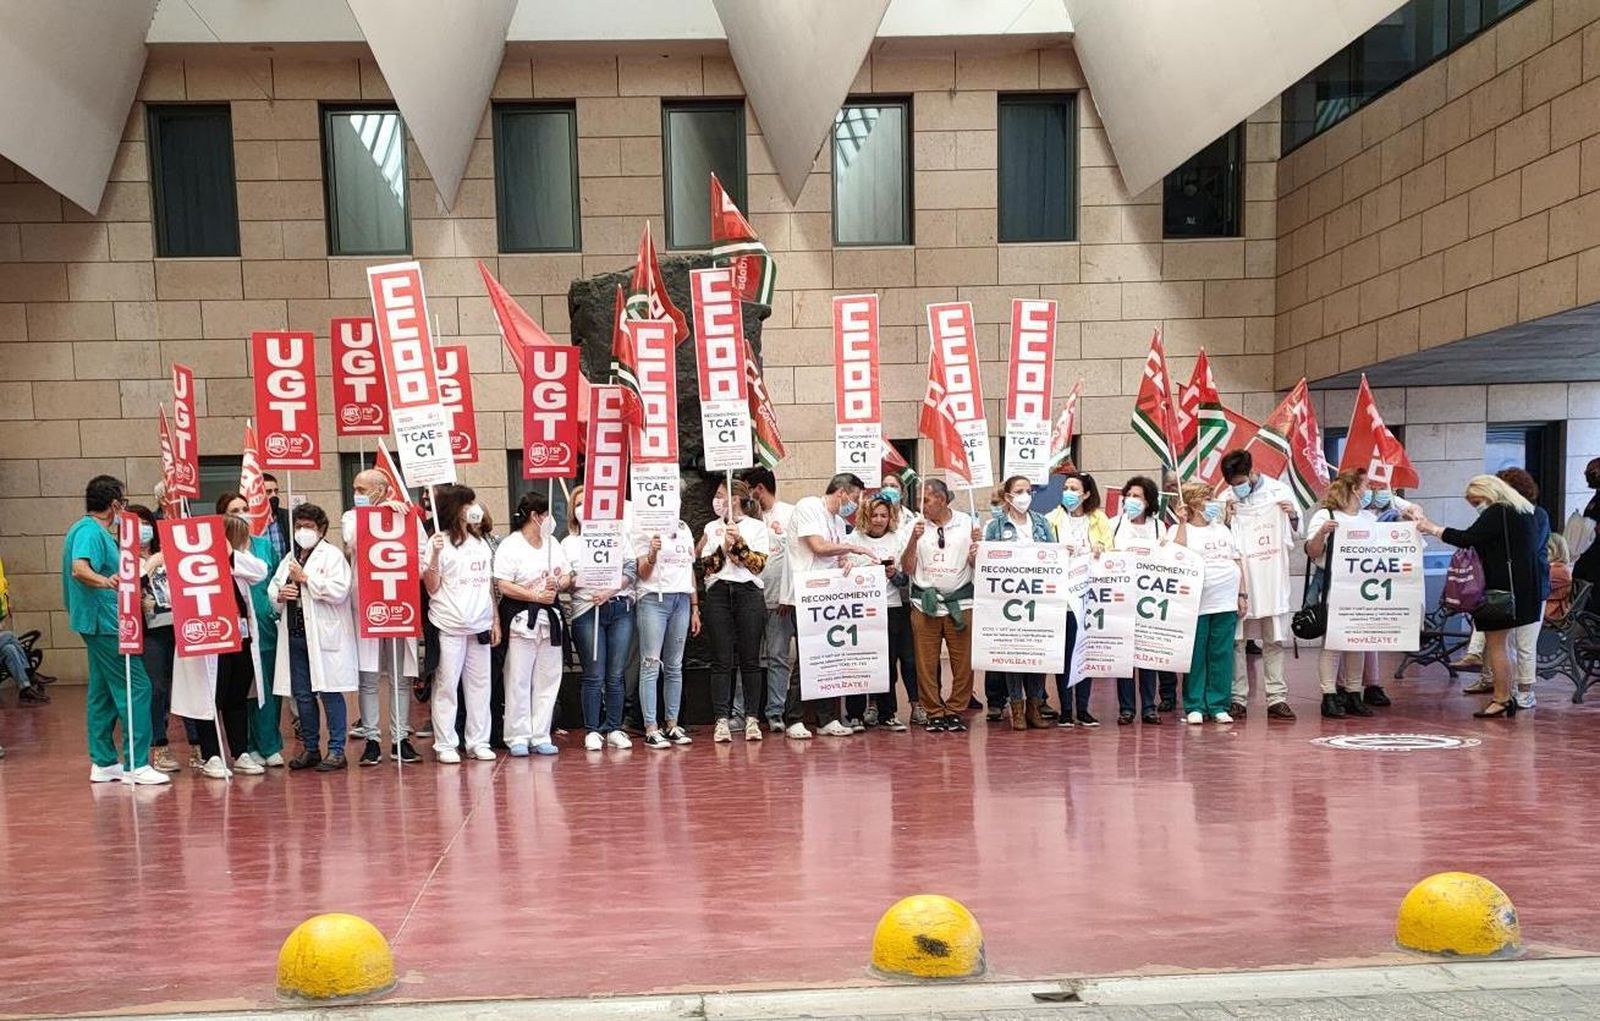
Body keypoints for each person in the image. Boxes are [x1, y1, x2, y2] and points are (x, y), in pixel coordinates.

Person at [63, 476, 169, 785]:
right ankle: (135, 763)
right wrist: (106, 581)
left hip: (98, 622)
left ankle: (103, 760)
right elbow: (79, 569)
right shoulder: (90, 531)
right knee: (138, 687)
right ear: (114, 504)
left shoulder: (87, 530)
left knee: (103, 691)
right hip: (105, 622)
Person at [1417, 475, 1541, 719]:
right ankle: (1508, 695)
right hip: (1523, 589)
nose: (1477, 507)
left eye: (1476, 502)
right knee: (1508, 647)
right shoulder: (1524, 511)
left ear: (1489, 493)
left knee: (1497, 647)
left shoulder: (1498, 512)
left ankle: (1502, 698)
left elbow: (1468, 538)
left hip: (1500, 592)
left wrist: (1432, 528)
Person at [173, 512, 270, 779]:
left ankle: (240, 753)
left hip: (241, 638)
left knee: (236, 697)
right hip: (210, 639)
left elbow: (260, 571)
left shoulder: (238, 560)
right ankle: (211, 755)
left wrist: (228, 554)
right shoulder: (196, 564)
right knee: (208, 698)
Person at [341, 469, 422, 765]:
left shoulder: (405, 516)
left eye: (362, 488)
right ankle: (373, 739)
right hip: (368, 604)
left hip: (400, 602)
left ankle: (400, 738)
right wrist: (377, 512)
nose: (357, 493)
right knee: (370, 676)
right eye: (356, 488)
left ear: (382, 489)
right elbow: (351, 539)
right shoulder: (351, 516)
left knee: (401, 677)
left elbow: (421, 556)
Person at [269, 503, 357, 770]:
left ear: (321, 530)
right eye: (298, 527)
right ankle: (310, 748)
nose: (302, 531)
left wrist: (306, 579)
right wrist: (280, 594)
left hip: (322, 636)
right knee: (302, 695)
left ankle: (336, 750)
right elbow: (274, 588)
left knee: (329, 692)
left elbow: (340, 591)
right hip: (295, 636)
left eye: (308, 527)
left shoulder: (331, 556)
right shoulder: (290, 557)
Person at [786, 473, 874, 738]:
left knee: (829, 659)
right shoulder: (809, 506)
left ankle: (827, 718)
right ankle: (794, 718)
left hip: (828, 597)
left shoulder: (836, 521)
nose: (856, 504)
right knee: (807, 658)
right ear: (842, 493)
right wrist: (853, 549)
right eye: (856, 497)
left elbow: (834, 556)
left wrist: (845, 560)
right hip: (804, 595)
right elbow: (818, 547)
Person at [1218, 450, 1298, 721]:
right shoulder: (1226, 499)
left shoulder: (1278, 493)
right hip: (1240, 583)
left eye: (1240, 481)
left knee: (1273, 640)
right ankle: (1237, 698)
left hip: (1271, 580)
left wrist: (1293, 515)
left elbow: (1296, 534)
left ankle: (1277, 698)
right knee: (1237, 642)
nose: (1236, 487)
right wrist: (1226, 520)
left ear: (1252, 472)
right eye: (1232, 483)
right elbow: (1219, 539)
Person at [1460, 468, 1549, 709]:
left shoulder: (1530, 513)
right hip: (1507, 586)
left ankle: (1524, 690)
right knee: (1499, 641)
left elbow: (1526, 549)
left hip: (1530, 587)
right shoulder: (1508, 514)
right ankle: (1492, 681)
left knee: (1523, 644)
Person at [422, 485, 498, 762]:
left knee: (480, 687)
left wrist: (494, 620)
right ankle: (445, 744)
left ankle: (478, 741)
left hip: (479, 625)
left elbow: (487, 585)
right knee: (446, 686)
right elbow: (431, 586)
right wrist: (434, 557)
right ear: (455, 509)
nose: (473, 509)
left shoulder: (480, 543)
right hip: (449, 625)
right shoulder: (437, 542)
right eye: (468, 504)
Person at [494, 492, 572, 757]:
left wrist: (557, 584)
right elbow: (503, 584)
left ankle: (541, 733)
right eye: (546, 515)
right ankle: (517, 734)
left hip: (549, 617)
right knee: (518, 678)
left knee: (548, 678)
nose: (549, 520)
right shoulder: (511, 545)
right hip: (520, 617)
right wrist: (534, 595)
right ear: (535, 516)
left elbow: (567, 576)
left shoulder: (552, 544)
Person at [563, 485, 638, 751]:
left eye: (588, 503)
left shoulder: (617, 535)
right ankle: (592, 729)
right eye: (578, 504)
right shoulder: (569, 543)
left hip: (619, 608)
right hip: (586, 611)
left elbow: (631, 568)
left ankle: (614, 727)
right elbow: (565, 580)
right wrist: (575, 580)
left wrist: (609, 590)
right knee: (594, 674)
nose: (584, 509)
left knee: (616, 674)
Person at [214, 493, 286, 769]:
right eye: (235, 510)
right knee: (241, 691)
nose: (242, 513)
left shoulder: (263, 545)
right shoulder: (217, 548)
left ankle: (269, 744)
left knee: (266, 688)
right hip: (231, 629)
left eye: (245, 508)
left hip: (263, 625)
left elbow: (269, 576)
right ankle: (246, 746)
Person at [901, 478, 979, 732]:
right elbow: (907, 568)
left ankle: (956, 709)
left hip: (961, 602)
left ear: (942, 500)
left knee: (963, 662)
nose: (921, 506)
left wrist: (976, 552)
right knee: (925, 661)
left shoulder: (968, 523)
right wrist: (914, 539)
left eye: (926, 500)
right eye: (919, 501)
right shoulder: (914, 525)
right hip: (925, 604)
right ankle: (934, 711)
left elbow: (978, 566)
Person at [982, 475, 1054, 730]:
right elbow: (987, 562)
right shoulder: (995, 526)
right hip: (1008, 601)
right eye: (1019, 491)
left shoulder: (1042, 522)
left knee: (1038, 653)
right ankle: (1017, 709)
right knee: (1013, 654)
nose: (1025, 495)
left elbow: (1053, 556)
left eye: (1028, 490)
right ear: (1008, 496)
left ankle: (1035, 707)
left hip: (1039, 599)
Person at [1304, 471, 1377, 720]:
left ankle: (1354, 692)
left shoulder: (1369, 517)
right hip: (1333, 583)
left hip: (1362, 585)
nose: (1368, 490)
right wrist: (1322, 532)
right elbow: (1312, 552)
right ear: (1354, 488)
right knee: (1333, 641)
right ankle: (1329, 694)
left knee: (1358, 639)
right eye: (1366, 485)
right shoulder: (1326, 516)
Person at [699, 479, 767, 743]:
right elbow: (707, 565)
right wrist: (723, 547)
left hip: (748, 593)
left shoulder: (757, 527)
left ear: (735, 498)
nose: (717, 500)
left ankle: (752, 718)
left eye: (721, 495)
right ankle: (721, 719)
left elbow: (757, 564)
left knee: (750, 659)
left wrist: (739, 544)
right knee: (721, 659)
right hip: (719, 593)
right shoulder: (711, 528)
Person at [1046, 471, 1113, 727]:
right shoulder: (1051, 519)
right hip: (1062, 597)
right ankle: (1065, 708)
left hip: (1090, 596)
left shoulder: (1098, 519)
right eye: (1066, 488)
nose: (1069, 493)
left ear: (1086, 494)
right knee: (1065, 654)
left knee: (1085, 650)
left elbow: (1111, 547)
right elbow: (1042, 549)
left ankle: (1083, 708)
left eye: (1075, 489)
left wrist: (1100, 549)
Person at [1175, 483, 1246, 724]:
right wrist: (1182, 522)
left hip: (1225, 600)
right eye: (1207, 498)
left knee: (1222, 653)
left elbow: (1237, 560)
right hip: (1196, 601)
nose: (1213, 502)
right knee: (1196, 653)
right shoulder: (1180, 529)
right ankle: (1194, 704)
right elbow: (1176, 554)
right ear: (1194, 503)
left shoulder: (1223, 530)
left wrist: (1242, 594)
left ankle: (1218, 704)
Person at [628, 503, 697, 749]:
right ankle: (650, 727)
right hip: (652, 599)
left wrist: (694, 604)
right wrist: (652, 554)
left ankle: (672, 723)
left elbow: (688, 567)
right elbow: (643, 573)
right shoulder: (641, 527)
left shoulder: (683, 527)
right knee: (650, 663)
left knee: (674, 665)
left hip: (680, 598)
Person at [127, 504, 186, 771]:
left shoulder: (167, 552)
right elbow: (130, 590)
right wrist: (150, 565)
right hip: (152, 631)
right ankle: (159, 747)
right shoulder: (126, 559)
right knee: (157, 688)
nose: (143, 529)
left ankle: (199, 746)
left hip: (182, 626)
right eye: (136, 524)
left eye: (146, 522)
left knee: (187, 686)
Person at [850, 493, 911, 731]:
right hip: (861, 610)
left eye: (884, 515)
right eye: (874, 515)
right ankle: (855, 714)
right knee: (858, 662)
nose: (878, 520)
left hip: (891, 607)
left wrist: (893, 574)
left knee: (888, 663)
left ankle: (888, 713)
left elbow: (906, 579)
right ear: (866, 515)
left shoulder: (898, 540)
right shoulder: (853, 539)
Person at [744, 466, 798, 733]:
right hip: (750, 599)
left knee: (777, 657)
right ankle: (742, 712)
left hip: (780, 601)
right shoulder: (744, 516)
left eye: (747, 489)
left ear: (759, 489)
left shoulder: (790, 514)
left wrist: (788, 595)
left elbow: (796, 559)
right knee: (748, 658)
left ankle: (775, 711)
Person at [1110, 476, 1166, 725]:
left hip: (1149, 600)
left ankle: (1149, 706)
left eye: (1138, 496)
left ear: (1149, 501)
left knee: (1147, 655)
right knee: (1124, 656)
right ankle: (1126, 708)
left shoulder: (1158, 527)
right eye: (1129, 495)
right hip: (1122, 598)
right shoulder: (1113, 525)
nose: (1132, 501)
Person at [1566, 456, 1600, 585]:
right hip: (1587, 555)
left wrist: (1590, 527)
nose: (1588, 476)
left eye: (1592, 473)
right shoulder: (1596, 496)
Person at [261, 472, 291, 560]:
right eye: (268, 492)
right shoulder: (249, 520)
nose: (274, 495)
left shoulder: (287, 517)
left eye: (276, 491)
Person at [1545, 534, 1573, 623]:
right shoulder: (1558, 568)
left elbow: (1535, 587)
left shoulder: (1559, 571)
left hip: (1550, 613)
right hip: (1545, 609)